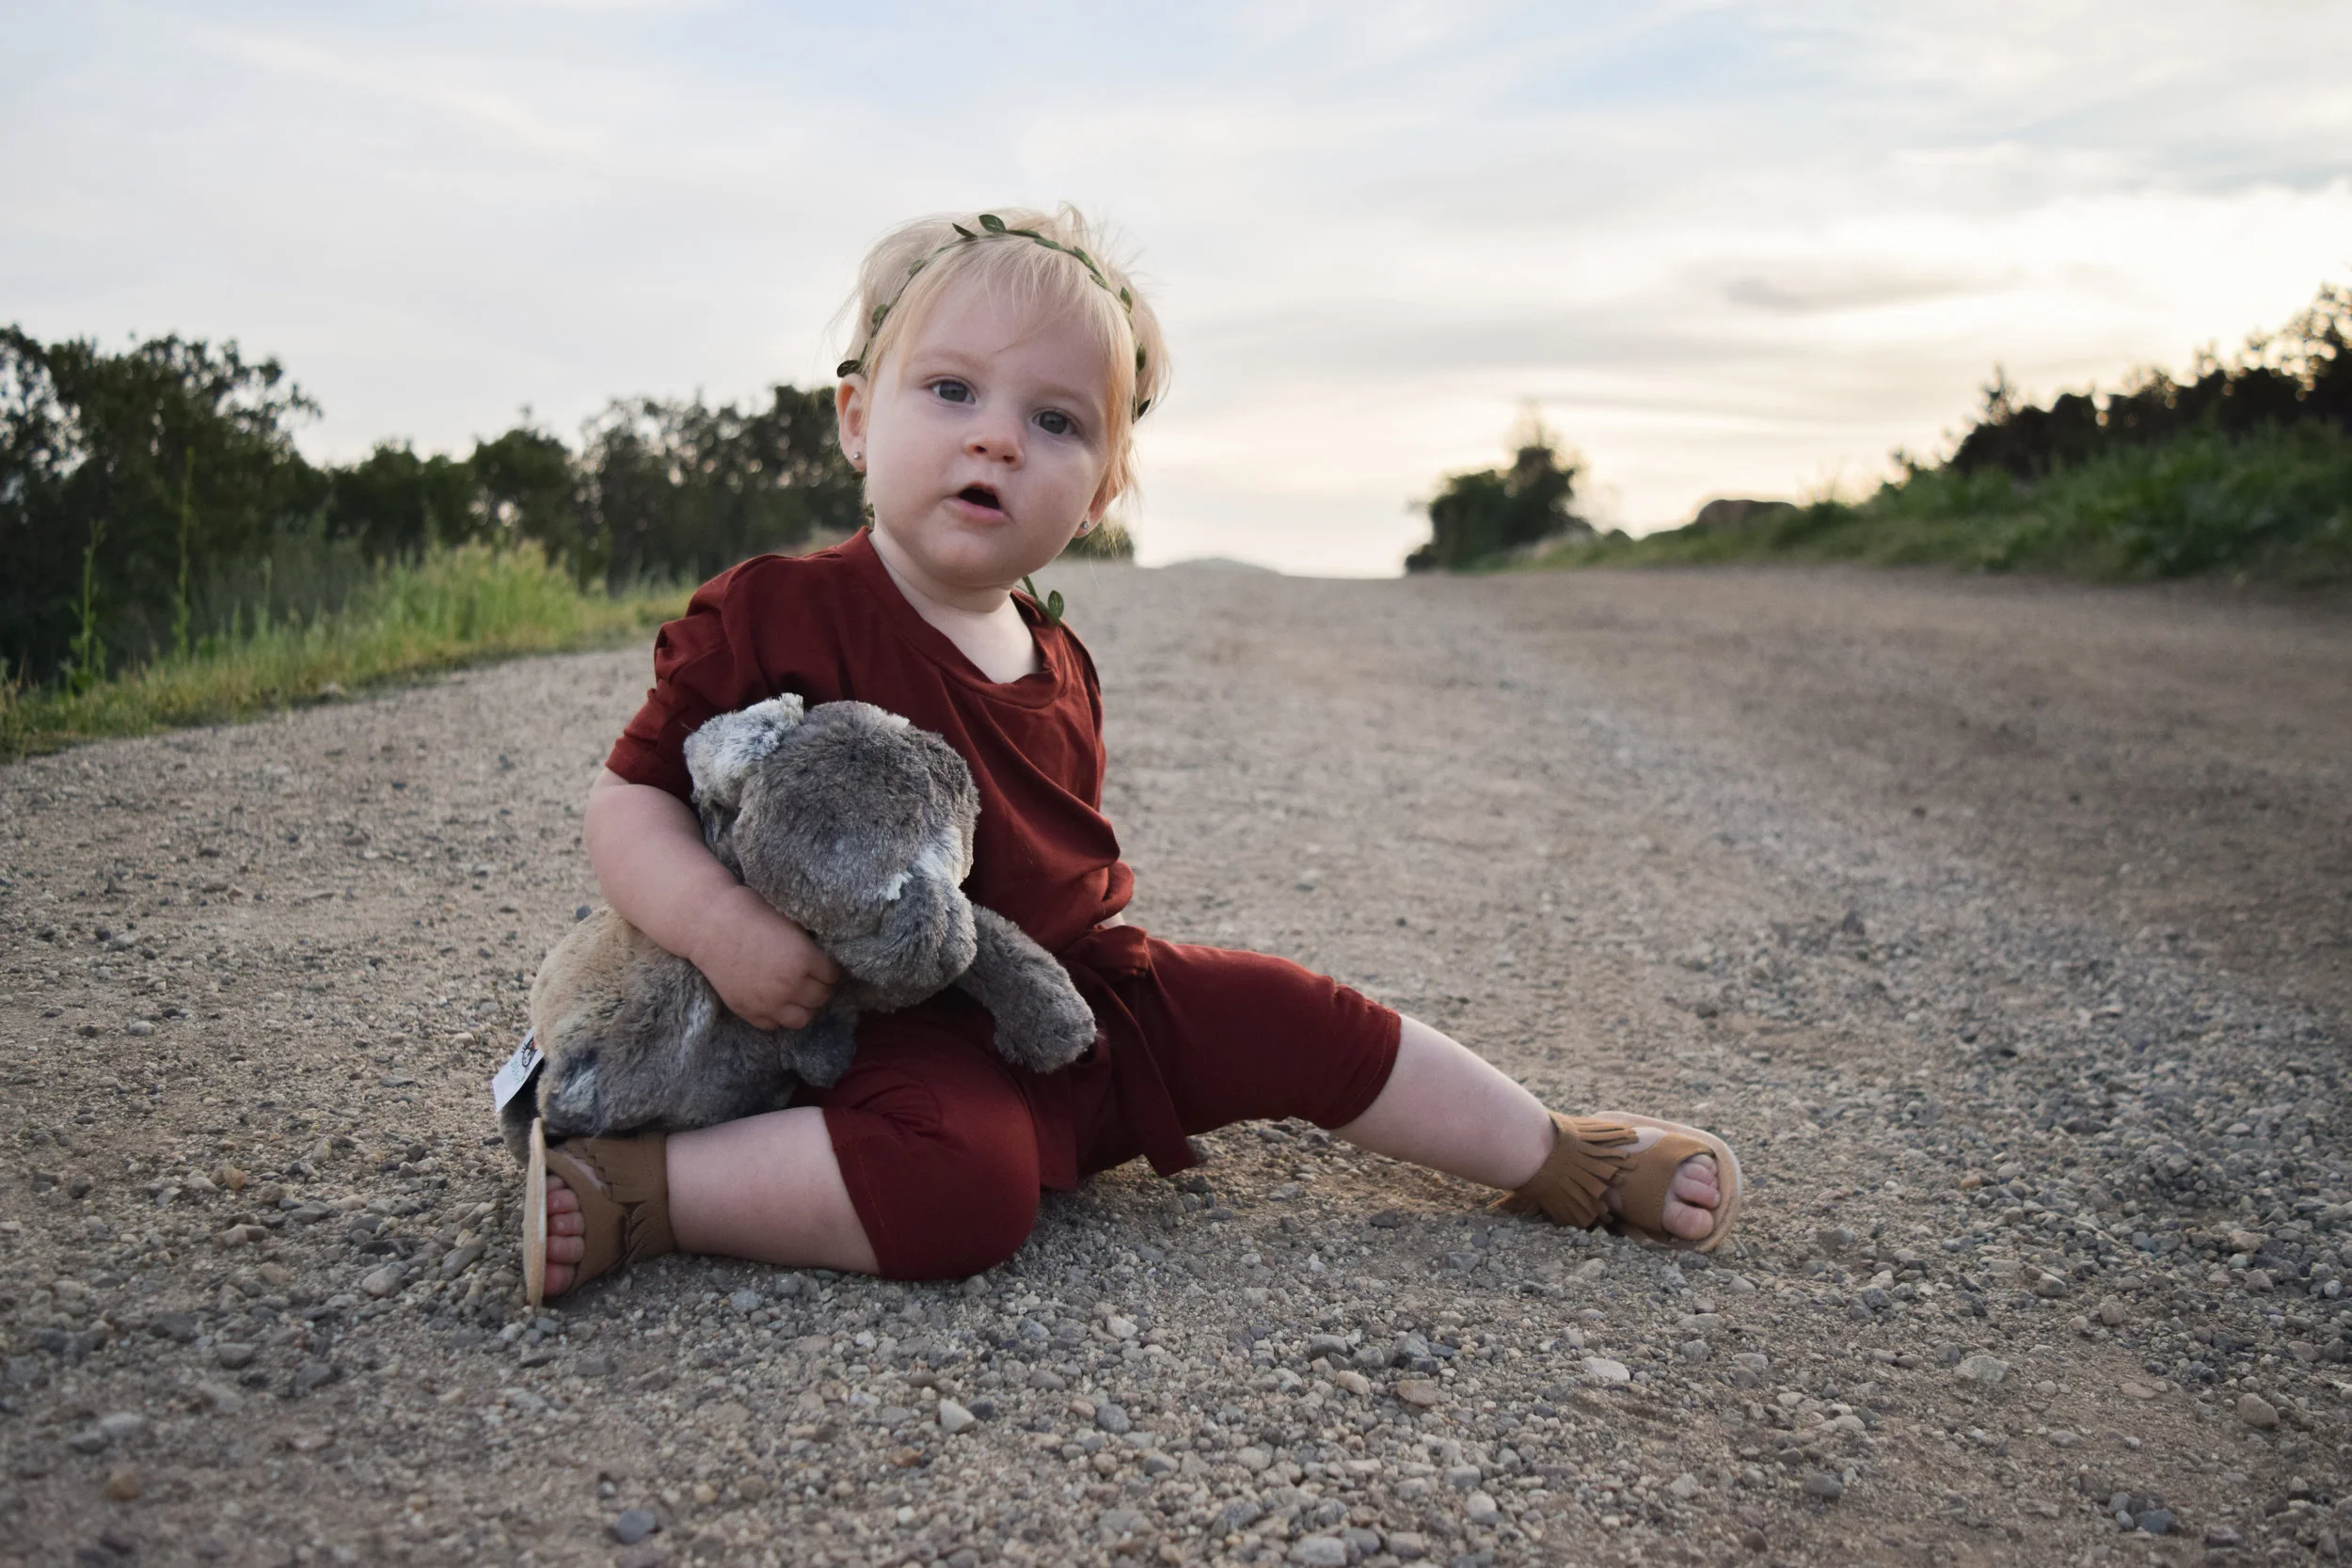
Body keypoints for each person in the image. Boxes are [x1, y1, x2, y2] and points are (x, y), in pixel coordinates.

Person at [524, 207, 1740, 1301]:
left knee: (1292, 1011)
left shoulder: (1058, 655)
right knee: (968, 1186)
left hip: (1059, 992)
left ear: (1100, 493)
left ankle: (1554, 1151)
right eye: (951, 392)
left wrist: (1124, 1007)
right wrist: (720, 929)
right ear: (857, 419)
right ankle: (645, 1188)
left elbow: (1067, 892)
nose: (996, 441)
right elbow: (629, 801)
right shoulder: (781, 608)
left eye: (1053, 421)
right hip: (868, 1023)